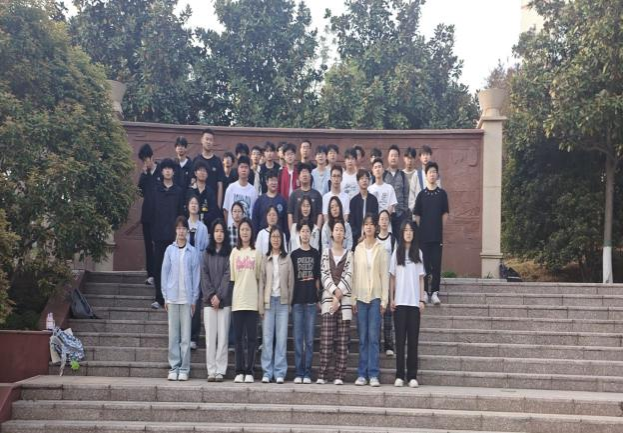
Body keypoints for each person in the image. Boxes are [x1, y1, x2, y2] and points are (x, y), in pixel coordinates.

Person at [161, 216, 200, 381]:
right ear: (175, 231)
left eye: (184, 228)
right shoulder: (169, 250)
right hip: (172, 298)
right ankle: (174, 367)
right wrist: (165, 296)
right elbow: (164, 273)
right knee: (173, 336)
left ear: (187, 231)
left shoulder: (193, 252)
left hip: (186, 299)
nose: (181, 231)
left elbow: (196, 276)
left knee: (185, 337)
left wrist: (194, 299)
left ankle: (184, 368)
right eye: (178, 228)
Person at [352, 214, 388, 387]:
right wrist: (353, 299)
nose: (369, 227)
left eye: (371, 224)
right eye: (366, 224)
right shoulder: (358, 249)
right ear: (363, 227)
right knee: (363, 338)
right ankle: (362, 374)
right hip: (360, 298)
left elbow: (384, 276)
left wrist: (384, 300)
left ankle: (373, 374)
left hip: (375, 298)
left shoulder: (381, 249)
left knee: (373, 337)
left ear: (376, 228)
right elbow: (354, 275)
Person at [390, 220, 426, 388]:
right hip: (400, 303)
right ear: (402, 233)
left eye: (411, 230)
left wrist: (421, 299)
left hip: (413, 304)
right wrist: (391, 298)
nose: (408, 233)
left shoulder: (418, 253)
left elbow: (421, 279)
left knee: (413, 341)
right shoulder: (396, 253)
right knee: (400, 341)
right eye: (406, 230)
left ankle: (412, 376)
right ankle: (399, 375)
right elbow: (392, 277)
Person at [318, 220, 353, 386]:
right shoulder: (326, 253)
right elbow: (324, 274)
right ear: (332, 233)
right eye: (336, 229)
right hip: (328, 302)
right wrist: (334, 293)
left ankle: (339, 374)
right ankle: (323, 374)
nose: (339, 232)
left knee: (342, 340)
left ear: (345, 234)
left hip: (344, 302)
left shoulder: (350, 254)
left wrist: (338, 297)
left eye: (341, 230)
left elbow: (349, 275)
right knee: (326, 339)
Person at [230, 218, 263, 383]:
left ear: (252, 232)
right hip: (238, 301)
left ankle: (249, 370)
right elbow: (232, 278)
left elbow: (258, 278)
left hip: (252, 301)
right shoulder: (234, 253)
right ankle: (239, 370)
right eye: (242, 229)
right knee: (237, 339)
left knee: (251, 339)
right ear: (239, 232)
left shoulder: (256, 253)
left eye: (247, 229)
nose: (245, 232)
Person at [260, 226, 295, 383]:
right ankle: (267, 372)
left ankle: (279, 372)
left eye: (278, 237)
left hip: (282, 302)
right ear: (269, 239)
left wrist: (289, 303)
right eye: (273, 237)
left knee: (281, 339)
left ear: (282, 240)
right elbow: (261, 283)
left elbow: (291, 282)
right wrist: (261, 306)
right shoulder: (265, 258)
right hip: (268, 303)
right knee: (267, 339)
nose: (275, 239)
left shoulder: (287, 259)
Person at [151, 158, 185, 310]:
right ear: (162, 171)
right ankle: (159, 298)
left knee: (174, 268)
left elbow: (181, 214)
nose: (167, 171)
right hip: (159, 236)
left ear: (173, 171)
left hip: (174, 237)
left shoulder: (178, 191)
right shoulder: (156, 190)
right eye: (165, 168)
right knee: (159, 267)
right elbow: (151, 212)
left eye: (170, 168)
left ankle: (172, 298)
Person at [414, 162, 449, 305]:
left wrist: (439, 228)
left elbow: (445, 213)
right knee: (424, 265)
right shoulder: (421, 195)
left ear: (437, 174)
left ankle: (434, 292)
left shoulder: (442, 194)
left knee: (436, 264)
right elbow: (417, 216)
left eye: (434, 172)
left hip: (437, 236)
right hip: (423, 237)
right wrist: (422, 230)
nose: (432, 174)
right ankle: (424, 291)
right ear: (426, 175)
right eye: (430, 172)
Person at [290, 219, 320, 384]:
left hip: (310, 302)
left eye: (308, 231)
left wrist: (318, 298)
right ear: (299, 234)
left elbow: (317, 279)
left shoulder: (315, 253)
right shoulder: (294, 255)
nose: (305, 234)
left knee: (309, 340)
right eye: (303, 231)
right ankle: (298, 372)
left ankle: (307, 372)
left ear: (311, 234)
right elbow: (291, 279)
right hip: (297, 301)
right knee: (297, 339)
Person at [202, 219, 232, 382]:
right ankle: (211, 370)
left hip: (224, 301)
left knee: (223, 337)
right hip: (209, 302)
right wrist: (212, 295)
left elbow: (228, 275)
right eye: (216, 231)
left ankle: (220, 370)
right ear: (212, 234)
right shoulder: (206, 253)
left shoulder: (229, 253)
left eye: (221, 231)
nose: (219, 234)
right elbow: (204, 275)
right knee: (210, 337)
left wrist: (219, 296)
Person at [186, 195, 209, 350]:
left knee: (196, 301)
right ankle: (185, 335)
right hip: (185, 270)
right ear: (188, 206)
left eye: (196, 203)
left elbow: (205, 249)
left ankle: (194, 336)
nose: (194, 205)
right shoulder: (184, 225)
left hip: (198, 269)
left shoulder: (203, 228)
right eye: (191, 203)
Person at [138, 143, 159, 286]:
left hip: (159, 217)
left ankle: (159, 274)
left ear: (152, 157)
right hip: (147, 216)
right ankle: (150, 274)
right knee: (148, 246)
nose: (145, 163)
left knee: (159, 245)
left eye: (147, 160)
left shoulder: (161, 171)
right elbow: (140, 192)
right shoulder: (144, 175)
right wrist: (144, 174)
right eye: (143, 161)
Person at [377, 209, 396, 356]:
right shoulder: (374, 239)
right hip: (376, 281)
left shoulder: (393, 239)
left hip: (389, 280)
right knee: (377, 315)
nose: (384, 221)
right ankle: (376, 344)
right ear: (378, 222)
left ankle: (389, 345)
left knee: (389, 314)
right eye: (381, 219)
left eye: (386, 219)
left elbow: (395, 262)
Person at [223, 155, 258, 227]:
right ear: (238, 169)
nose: (243, 170)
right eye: (241, 167)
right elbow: (226, 210)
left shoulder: (253, 191)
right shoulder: (231, 188)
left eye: (246, 167)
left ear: (249, 170)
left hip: (247, 229)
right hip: (232, 229)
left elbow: (254, 213)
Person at [193, 128, 225, 208]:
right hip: (198, 202)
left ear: (213, 142)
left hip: (212, 203)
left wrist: (218, 206)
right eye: (206, 139)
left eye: (211, 140)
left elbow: (220, 185)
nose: (208, 142)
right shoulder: (196, 160)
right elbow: (192, 181)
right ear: (202, 140)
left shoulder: (217, 161)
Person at [252, 169, 288, 236]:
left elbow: (285, 223)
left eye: (275, 180)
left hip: (278, 237)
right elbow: (255, 221)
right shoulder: (260, 200)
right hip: (263, 236)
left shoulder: (282, 200)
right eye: (271, 180)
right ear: (267, 182)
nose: (273, 183)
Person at [383, 145, 410, 235]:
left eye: (395, 156)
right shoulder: (383, 175)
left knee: (400, 240)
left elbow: (406, 195)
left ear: (399, 158)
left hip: (400, 215)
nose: (393, 158)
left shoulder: (402, 175)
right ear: (388, 157)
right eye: (391, 155)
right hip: (386, 215)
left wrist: (404, 211)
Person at [287, 163, 323, 228]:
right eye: (302, 172)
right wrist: (292, 231)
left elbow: (319, 214)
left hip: (313, 230)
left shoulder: (317, 194)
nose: (304, 175)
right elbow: (290, 214)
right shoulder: (294, 195)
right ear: (299, 177)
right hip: (297, 230)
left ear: (310, 176)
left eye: (306, 172)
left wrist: (317, 230)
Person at [186, 161, 221, 227]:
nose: (202, 173)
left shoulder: (210, 192)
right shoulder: (190, 191)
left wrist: (202, 217)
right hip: (191, 225)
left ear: (207, 175)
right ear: (195, 173)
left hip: (207, 226)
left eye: (204, 171)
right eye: (200, 170)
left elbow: (213, 211)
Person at [349, 169, 379, 245]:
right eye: (362, 178)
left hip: (371, 237)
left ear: (369, 181)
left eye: (366, 178)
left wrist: (366, 235)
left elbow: (375, 219)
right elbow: (352, 222)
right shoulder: (353, 201)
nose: (364, 180)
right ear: (358, 181)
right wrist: (358, 236)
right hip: (357, 239)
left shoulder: (373, 200)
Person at [403, 147, 419, 212]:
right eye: (408, 158)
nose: (410, 160)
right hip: (403, 210)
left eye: (411, 158)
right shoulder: (401, 174)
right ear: (404, 158)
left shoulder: (418, 175)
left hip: (415, 209)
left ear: (414, 159)